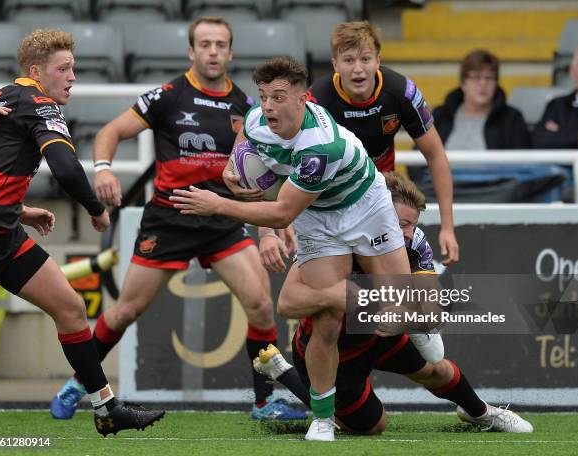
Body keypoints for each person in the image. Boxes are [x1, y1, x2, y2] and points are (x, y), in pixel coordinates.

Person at [170, 56, 451, 441]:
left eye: (279, 97)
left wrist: (218, 203)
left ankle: (411, 316)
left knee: (398, 306)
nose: (268, 105)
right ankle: (321, 418)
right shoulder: (257, 118)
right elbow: (245, 139)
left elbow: (283, 212)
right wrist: (229, 171)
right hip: (318, 215)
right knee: (327, 317)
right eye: (264, 96)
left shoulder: (320, 146)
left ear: (304, 99)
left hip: (365, 205)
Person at [49, 17, 304, 422]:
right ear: (191, 51)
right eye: (205, 44)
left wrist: (270, 229)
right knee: (125, 311)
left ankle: (264, 402)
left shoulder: (247, 107)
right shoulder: (168, 95)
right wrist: (104, 169)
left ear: (231, 52)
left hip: (221, 219)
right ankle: (81, 380)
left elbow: (264, 176)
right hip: (169, 219)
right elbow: (110, 132)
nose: (213, 51)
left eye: (221, 44)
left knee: (260, 305)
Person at [253, 172, 533, 435]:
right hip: (333, 351)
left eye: (413, 224)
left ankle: (482, 413)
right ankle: (284, 372)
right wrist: (333, 296)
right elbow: (287, 302)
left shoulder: (415, 244)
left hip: (377, 333)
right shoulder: (334, 237)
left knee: (437, 367)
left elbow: (433, 312)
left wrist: (407, 319)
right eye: (402, 224)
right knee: (372, 426)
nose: (409, 233)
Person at [0, 28, 164, 435]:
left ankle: (105, 407)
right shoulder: (37, 102)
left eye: (74, 68)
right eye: (63, 68)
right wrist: (96, 209)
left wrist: (20, 210)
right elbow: (65, 168)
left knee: (69, 308)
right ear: (36, 71)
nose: (72, 77)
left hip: (3, 233)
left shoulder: (5, 97)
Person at [299, 20, 459, 361]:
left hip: (381, 195)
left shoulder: (401, 91)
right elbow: (291, 162)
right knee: (324, 306)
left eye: (365, 59)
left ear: (378, 59)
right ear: (335, 65)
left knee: (431, 330)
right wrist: (280, 226)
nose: (358, 69)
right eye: (349, 60)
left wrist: (447, 225)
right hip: (334, 201)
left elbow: (436, 155)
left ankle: (412, 313)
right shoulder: (317, 100)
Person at [533, 42, 578, 201]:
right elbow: (539, 142)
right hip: (561, 184)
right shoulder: (557, 105)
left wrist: (562, 136)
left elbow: (553, 141)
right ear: (573, 72)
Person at [433, 49, 530, 150]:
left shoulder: (511, 119)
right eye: (476, 77)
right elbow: (419, 158)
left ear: (496, 83)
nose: (483, 83)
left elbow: (523, 162)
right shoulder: (440, 116)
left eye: (489, 78)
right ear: (463, 83)